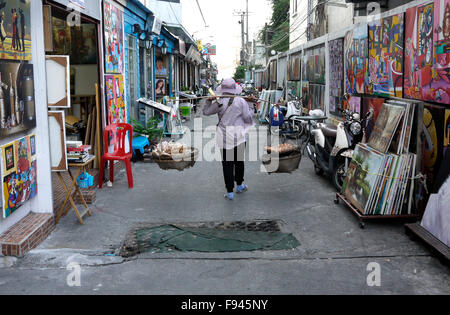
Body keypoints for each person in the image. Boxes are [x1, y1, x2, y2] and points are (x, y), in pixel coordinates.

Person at [203, 78, 255, 201]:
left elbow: (205, 112)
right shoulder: (241, 101)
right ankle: (240, 186)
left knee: (227, 164)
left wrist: (208, 101)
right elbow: (248, 117)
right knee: (239, 162)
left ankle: (230, 192)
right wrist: (251, 104)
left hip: (224, 138)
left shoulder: (219, 102)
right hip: (239, 137)